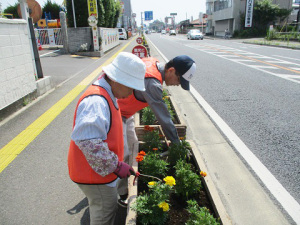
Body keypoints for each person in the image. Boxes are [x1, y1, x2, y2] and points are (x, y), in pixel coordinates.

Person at [68, 52, 146, 225]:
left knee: (101, 207)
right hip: (94, 177)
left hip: (96, 173)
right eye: (131, 87)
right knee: (104, 212)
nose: (131, 93)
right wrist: (117, 166)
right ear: (118, 79)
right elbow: (89, 143)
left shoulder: (107, 93)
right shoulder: (97, 101)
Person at [117, 55, 196, 202]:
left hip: (125, 112)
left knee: (134, 146)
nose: (178, 84)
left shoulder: (154, 62)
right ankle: (123, 194)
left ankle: (129, 183)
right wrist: (176, 144)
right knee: (123, 154)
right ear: (171, 70)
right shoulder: (152, 82)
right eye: (179, 80)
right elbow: (164, 118)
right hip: (115, 111)